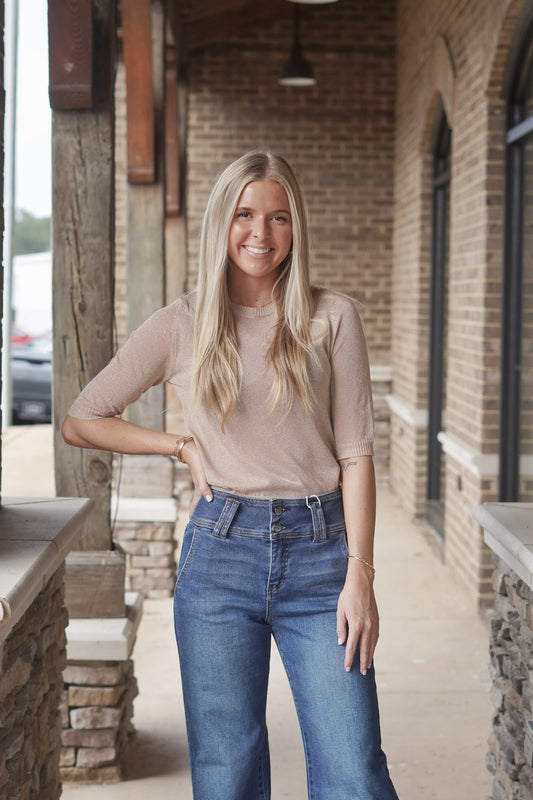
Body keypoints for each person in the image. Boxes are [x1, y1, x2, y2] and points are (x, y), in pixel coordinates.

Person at [62, 150, 400, 800]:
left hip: (321, 558)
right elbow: (84, 418)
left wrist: (360, 574)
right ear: (222, 221)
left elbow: (356, 453)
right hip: (220, 556)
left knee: (354, 770)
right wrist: (177, 445)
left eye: (278, 216)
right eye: (245, 214)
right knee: (226, 774)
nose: (260, 232)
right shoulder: (181, 324)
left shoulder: (332, 317)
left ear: (295, 226)